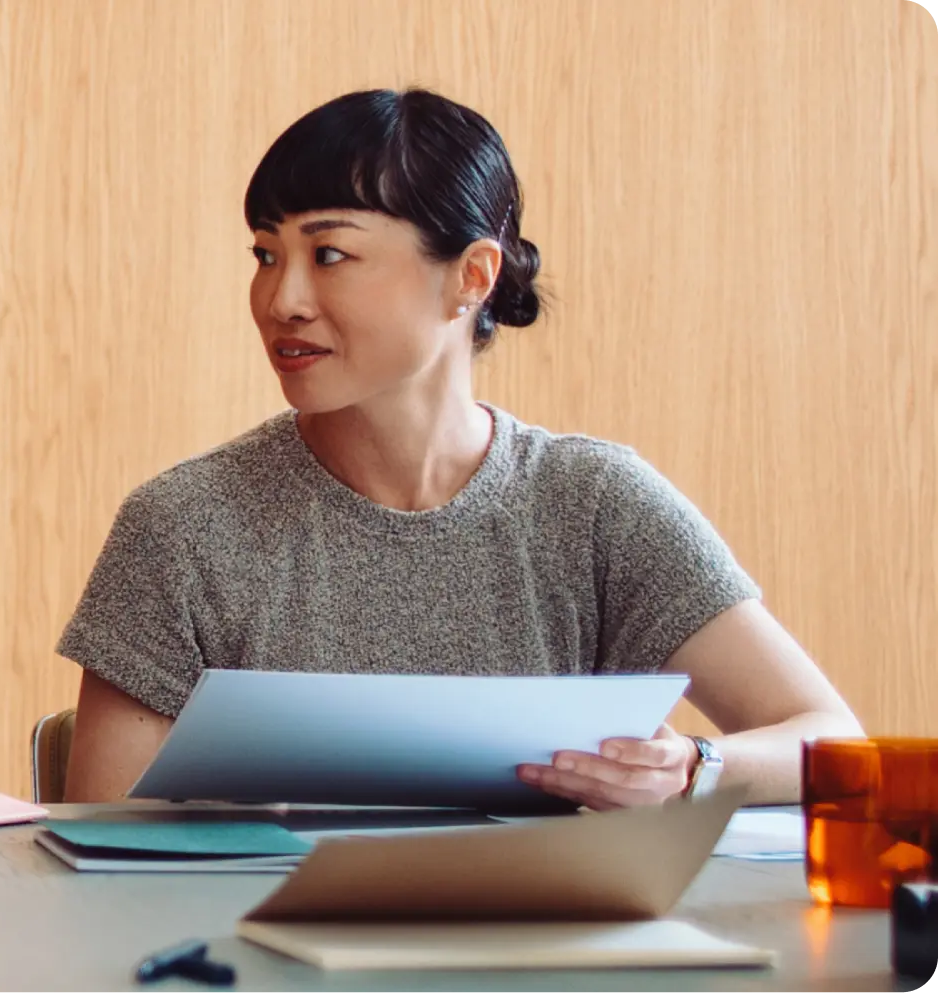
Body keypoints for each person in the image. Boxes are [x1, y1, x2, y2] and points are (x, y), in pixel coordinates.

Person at [57, 88, 861, 808]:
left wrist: (694, 767)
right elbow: (102, 840)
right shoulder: (182, 526)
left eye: (328, 254)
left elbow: (831, 739)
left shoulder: (596, 504)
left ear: (471, 276)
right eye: (267, 255)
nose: (281, 298)